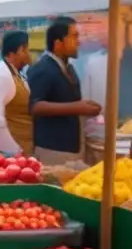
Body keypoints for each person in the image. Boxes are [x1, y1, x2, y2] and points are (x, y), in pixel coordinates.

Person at [27, 17, 101, 165]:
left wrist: (85, 108)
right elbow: (34, 106)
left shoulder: (69, 68)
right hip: (52, 150)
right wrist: (77, 107)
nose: (78, 42)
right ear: (58, 43)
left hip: (71, 149)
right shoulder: (42, 68)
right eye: (74, 37)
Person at [0, 30, 33, 155]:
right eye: (29, 50)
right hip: (12, 153)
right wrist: (13, 151)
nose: (31, 54)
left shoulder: (16, 73)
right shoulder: (0, 74)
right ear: (21, 50)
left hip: (25, 149)